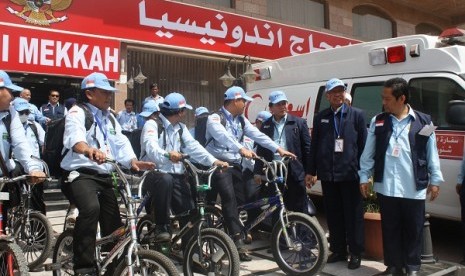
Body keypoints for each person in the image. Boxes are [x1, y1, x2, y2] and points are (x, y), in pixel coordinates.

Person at [60, 72, 154, 275]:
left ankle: (113, 265)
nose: (109, 96)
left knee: (115, 224)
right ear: (90, 94)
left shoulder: (110, 117)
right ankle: (83, 267)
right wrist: (88, 150)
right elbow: (74, 138)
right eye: (104, 92)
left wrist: (133, 161)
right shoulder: (77, 112)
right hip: (80, 174)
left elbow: (120, 142)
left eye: (110, 92)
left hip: (104, 176)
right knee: (91, 209)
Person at [359, 77, 444, 276]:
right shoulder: (378, 121)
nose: (383, 102)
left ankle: (412, 266)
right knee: (390, 228)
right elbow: (368, 153)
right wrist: (364, 176)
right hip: (386, 186)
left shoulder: (424, 121)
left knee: (413, 229)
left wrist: (435, 181)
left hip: (413, 186)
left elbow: (432, 152)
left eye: (387, 99)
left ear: (401, 98)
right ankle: (394, 265)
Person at [204, 86, 295, 261]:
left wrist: (278, 148)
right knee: (229, 199)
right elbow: (223, 136)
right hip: (219, 166)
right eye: (243, 100)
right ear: (234, 101)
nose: (245, 103)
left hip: (236, 165)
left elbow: (258, 135)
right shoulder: (215, 118)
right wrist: (240, 149)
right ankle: (237, 243)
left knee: (242, 201)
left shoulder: (242, 120)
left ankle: (234, 231)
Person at [140, 93, 227, 242]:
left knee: (189, 212)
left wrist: (213, 161)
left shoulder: (181, 127)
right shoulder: (152, 124)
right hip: (153, 175)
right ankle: (162, 226)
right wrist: (168, 155)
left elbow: (193, 147)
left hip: (176, 177)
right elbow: (151, 148)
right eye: (184, 110)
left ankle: (191, 252)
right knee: (165, 179)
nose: (185, 113)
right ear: (180, 111)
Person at [309, 78, 367, 269]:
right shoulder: (321, 117)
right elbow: (314, 146)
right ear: (327, 95)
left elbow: (364, 147)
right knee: (334, 215)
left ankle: (356, 252)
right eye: (334, 92)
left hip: (351, 175)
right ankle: (339, 250)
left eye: (341, 91)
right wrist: (311, 171)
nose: (338, 95)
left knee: (353, 215)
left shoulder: (357, 115)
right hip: (328, 176)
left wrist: (364, 173)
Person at [254, 91, 313, 214]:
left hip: (294, 171)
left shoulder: (298, 123)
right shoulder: (266, 125)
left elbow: (308, 149)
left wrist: (310, 172)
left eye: (284, 103)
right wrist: (257, 172)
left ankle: (301, 233)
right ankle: (279, 232)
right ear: (271, 108)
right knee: (276, 208)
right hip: (274, 171)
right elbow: (261, 150)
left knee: (299, 208)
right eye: (278, 104)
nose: (283, 107)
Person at [0, 70, 46, 220]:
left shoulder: (11, 113)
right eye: (10, 91)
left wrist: (32, 168)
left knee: (4, 214)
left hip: (3, 177)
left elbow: (20, 143)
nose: (13, 97)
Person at [13, 98, 46, 214]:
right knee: (13, 199)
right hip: (16, 168)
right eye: (21, 113)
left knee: (37, 201)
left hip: (35, 168)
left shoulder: (35, 126)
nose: (24, 115)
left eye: (27, 112)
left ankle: (39, 228)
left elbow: (44, 143)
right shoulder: (8, 126)